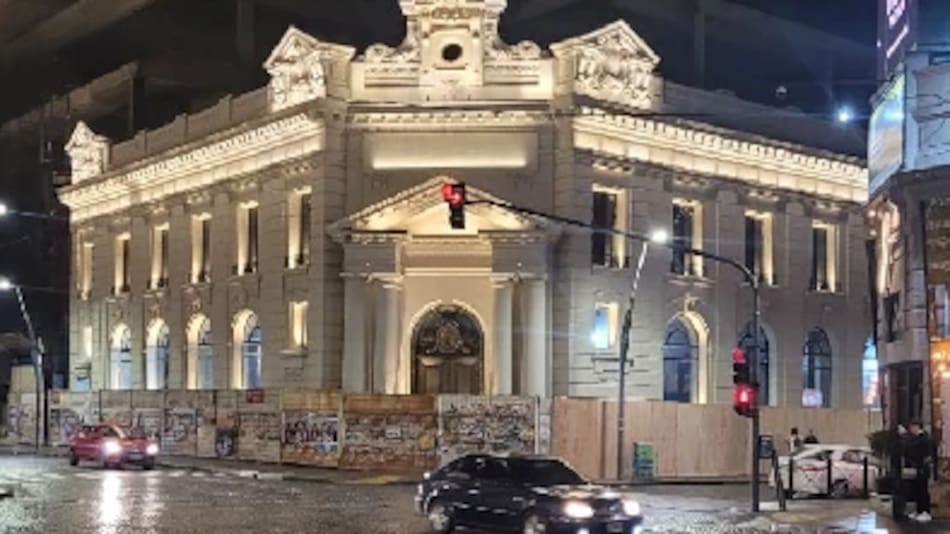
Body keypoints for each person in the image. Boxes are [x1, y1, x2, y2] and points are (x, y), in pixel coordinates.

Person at [906, 421, 934, 522]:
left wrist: (924, 466)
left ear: (917, 427)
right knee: (917, 489)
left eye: (912, 427)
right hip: (917, 467)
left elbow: (928, 454)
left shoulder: (925, 439)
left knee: (923, 490)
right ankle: (919, 510)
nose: (910, 430)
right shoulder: (916, 439)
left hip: (922, 468)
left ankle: (925, 511)